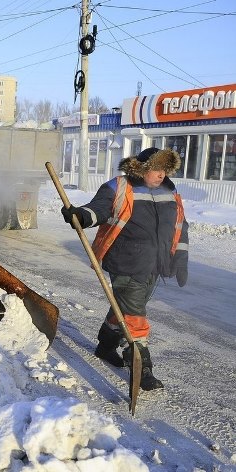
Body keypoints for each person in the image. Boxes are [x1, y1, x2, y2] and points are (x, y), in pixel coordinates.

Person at [60, 147, 189, 391]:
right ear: (141, 168)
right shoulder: (119, 186)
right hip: (126, 261)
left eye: (164, 170)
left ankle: (106, 345)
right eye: (156, 169)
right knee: (134, 314)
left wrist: (180, 258)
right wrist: (81, 215)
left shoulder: (169, 192)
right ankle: (142, 365)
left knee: (125, 306)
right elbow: (99, 209)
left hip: (155, 264)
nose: (161, 175)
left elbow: (181, 226)